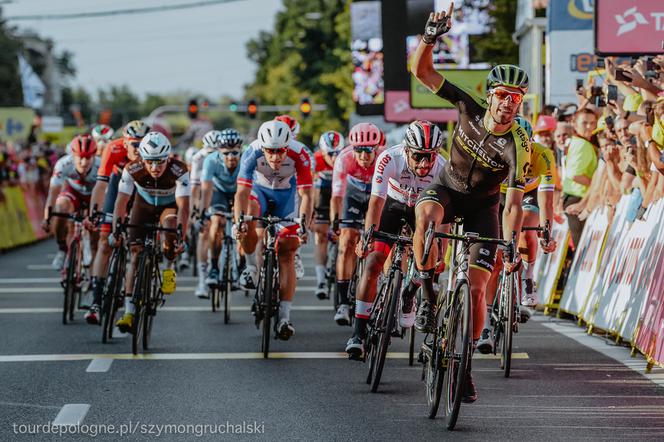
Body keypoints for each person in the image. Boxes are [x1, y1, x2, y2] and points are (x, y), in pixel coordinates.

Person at [410, 6, 530, 402]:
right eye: (501, 95)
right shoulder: (467, 107)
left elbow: (512, 204)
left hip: (483, 208)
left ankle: (464, 364)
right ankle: (427, 294)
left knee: (477, 289)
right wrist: (429, 37)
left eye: (516, 98)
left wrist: (510, 243)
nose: (508, 103)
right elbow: (421, 73)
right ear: (489, 95)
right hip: (447, 189)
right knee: (425, 218)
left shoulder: (517, 146)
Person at [345, 120, 446, 359]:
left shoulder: (442, 167)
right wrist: (368, 236)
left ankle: (410, 292)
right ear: (407, 150)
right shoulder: (390, 158)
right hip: (392, 205)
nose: (424, 163)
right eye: (419, 156)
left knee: (429, 257)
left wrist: (442, 248)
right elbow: (376, 202)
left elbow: (443, 218)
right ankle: (358, 333)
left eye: (430, 157)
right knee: (374, 262)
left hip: (422, 209)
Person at [478, 116, 558, 353]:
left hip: (528, 196)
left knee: (528, 229)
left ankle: (528, 277)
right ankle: (485, 326)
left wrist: (546, 231)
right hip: (499, 197)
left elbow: (547, 201)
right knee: (495, 262)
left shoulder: (543, 155)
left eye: (526, 145)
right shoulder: (494, 152)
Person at [233, 120, 313, 340]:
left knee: (287, 250)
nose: (276, 157)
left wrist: (304, 225)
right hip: (259, 192)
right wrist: (238, 221)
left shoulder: (301, 154)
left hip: (287, 197)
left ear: (288, 146)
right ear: (263, 147)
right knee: (248, 216)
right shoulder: (252, 151)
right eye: (270, 151)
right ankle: (251, 267)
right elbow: (241, 192)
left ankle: (285, 318)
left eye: (280, 152)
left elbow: (307, 195)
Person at [112, 132, 190, 332]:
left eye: (160, 162)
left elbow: (184, 207)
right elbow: (121, 201)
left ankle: (169, 266)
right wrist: (116, 228)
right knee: (135, 254)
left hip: (169, 207)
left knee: (171, 231)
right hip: (143, 206)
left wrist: (181, 237)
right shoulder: (133, 168)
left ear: (168, 158)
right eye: (150, 162)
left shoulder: (179, 170)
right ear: (142, 159)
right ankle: (129, 312)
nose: (155, 168)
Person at [84, 120, 150, 324]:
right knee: (104, 241)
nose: (139, 150)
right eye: (134, 145)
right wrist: (94, 211)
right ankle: (96, 301)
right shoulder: (113, 149)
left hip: (140, 189)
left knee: (136, 246)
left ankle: (132, 287)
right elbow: (100, 185)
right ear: (125, 142)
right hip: (116, 186)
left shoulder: (151, 151)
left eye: (142, 145)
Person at [330, 122, 383, 325]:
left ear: (376, 148)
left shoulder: (383, 159)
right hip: (353, 195)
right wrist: (336, 220)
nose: (363, 156)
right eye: (359, 150)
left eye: (369, 150)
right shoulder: (343, 159)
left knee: (381, 243)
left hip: (377, 196)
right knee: (346, 243)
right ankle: (343, 303)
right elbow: (337, 195)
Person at [43, 135, 101, 271]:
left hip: (94, 195)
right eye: (80, 157)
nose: (83, 162)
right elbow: (53, 193)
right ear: (72, 156)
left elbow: (104, 195)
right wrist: (47, 217)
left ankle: (95, 274)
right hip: (73, 193)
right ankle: (62, 249)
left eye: (88, 158)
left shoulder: (101, 165)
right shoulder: (63, 164)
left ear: (94, 156)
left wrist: (96, 216)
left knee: (96, 231)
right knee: (61, 208)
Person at [200, 128, 243, 286]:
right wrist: (204, 212)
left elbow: (252, 189)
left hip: (240, 190)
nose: (231, 157)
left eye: (235, 153)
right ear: (219, 151)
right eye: (226, 153)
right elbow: (206, 188)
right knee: (216, 222)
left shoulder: (247, 159)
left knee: (243, 223)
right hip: (219, 192)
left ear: (240, 150)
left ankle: (243, 262)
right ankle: (214, 267)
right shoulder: (210, 160)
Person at [275, 114, 311, 280]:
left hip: (293, 190)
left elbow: (311, 183)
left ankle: (295, 254)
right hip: (270, 188)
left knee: (298, 222)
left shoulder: (301, 150)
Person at [190, 130, 225, 297]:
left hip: (222, 191)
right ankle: (202, 281)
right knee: (204, 233)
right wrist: (196, 211)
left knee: (222, 224)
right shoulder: (198, 158)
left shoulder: (225, 156)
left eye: (215, 152)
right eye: (209, 152)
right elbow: (196, 189)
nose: (212, 155)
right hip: (206, 191)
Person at [312, 130, 345, 299]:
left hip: (341, 197)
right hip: (322, 197)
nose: (334, 158)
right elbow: (307, 191)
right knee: (321, 234)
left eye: (337, 154)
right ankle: (321, 280)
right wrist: (310, 215)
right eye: (330, 154)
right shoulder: (315, 160)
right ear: (322, 152)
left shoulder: (346, 158)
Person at [562, 109, 598, 248]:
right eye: (585, 123)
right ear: (574, 124)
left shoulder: (578, 142)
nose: (589, 126)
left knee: (581, 248)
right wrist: (595, 186)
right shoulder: (582, 144)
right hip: (577, 201)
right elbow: (575, 175)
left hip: (574, 198)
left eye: (592, 123)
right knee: (582, 248)